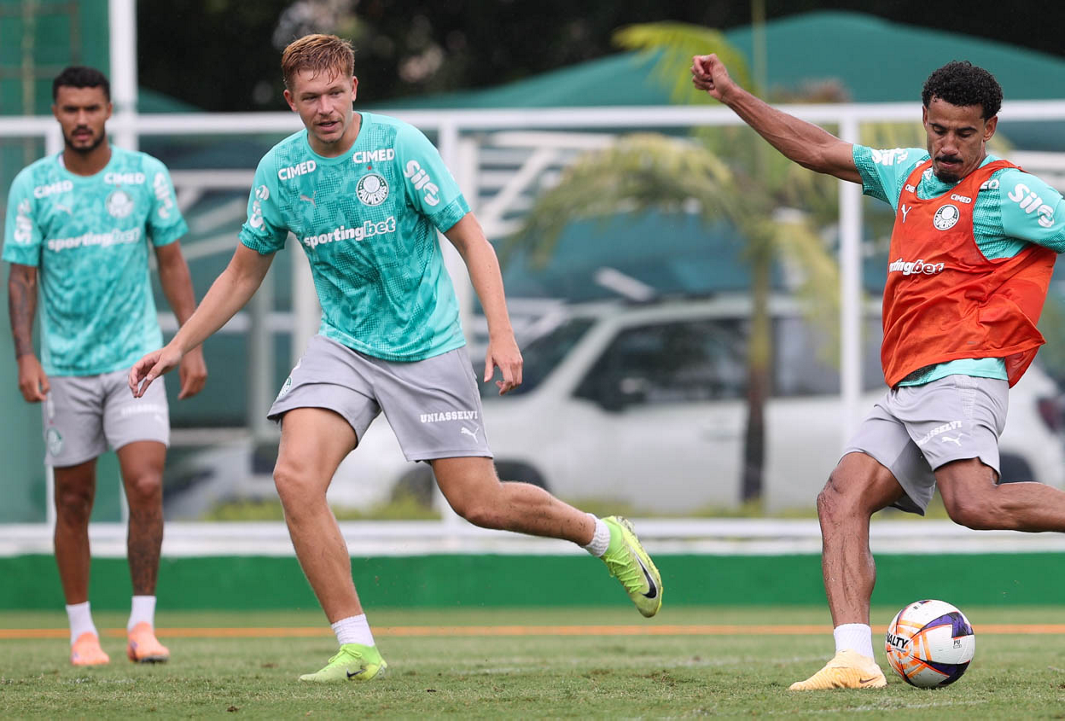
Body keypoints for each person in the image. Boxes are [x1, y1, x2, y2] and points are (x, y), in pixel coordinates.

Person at [691, 55, 1065, 690]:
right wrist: (734, 95)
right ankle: (853, 659)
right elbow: (820, 150)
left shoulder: (1009, 191)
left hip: (964, 372)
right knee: (840, 500)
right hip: (909, 383)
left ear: (989, 129)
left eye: (964, 133)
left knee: (975, 504)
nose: (949, 145)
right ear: (925, 122)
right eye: (938, 129)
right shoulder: (908, 172)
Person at [128, 34, 664, 683]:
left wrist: (501, 331)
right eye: (310, 98)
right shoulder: (280, 173)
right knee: (295, 477)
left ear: (353, 89)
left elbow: (472, 238)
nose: (324, 107)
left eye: (334, 93)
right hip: (345, 346)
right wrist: (179, 344)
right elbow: (242, 274)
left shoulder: (399, 148)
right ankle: (357, 646)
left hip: (427, 345)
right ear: (292, 102)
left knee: (478, 502)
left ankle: (602, 536)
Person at [4, 66, 207, 667]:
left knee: (145, 484)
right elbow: (21, 276)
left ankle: (142, 626)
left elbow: (172, 261)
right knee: (73, 500)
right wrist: (25, 355)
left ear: (110, 110)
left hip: (135, 362)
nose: (82, 120)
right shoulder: (33, 186)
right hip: (65, 368)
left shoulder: (146, 176)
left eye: (92, 108)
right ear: (56, 113)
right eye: (71, 110)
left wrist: (189, 342)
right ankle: (81, 632)